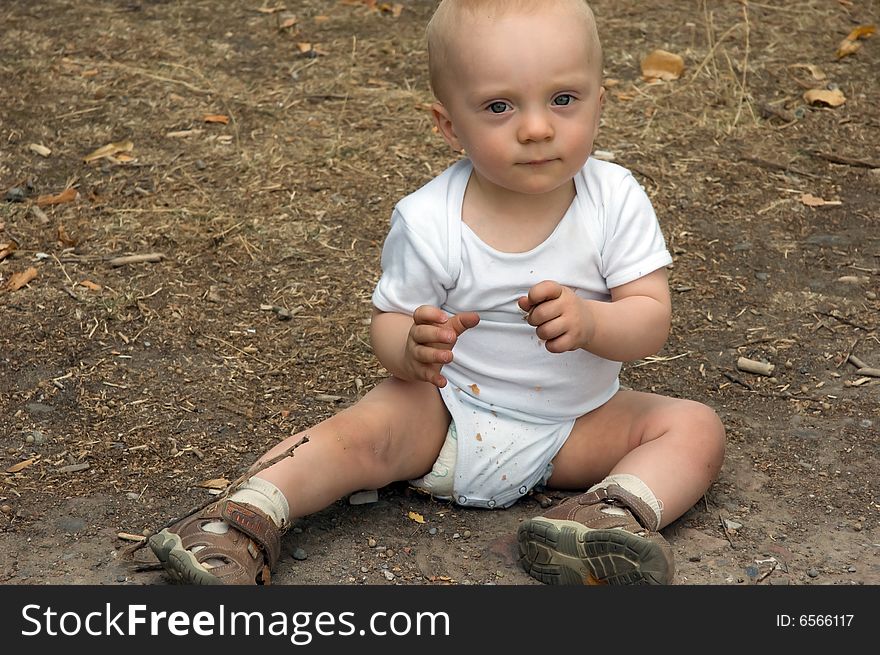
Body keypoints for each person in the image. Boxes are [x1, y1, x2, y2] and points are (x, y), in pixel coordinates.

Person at [148, 0, 725, 586]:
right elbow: (389, 321)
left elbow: (651, 319)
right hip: (446, 412)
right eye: (499, 107)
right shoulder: (429, 219)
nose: (536, 127)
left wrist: (595, 323)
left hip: (574, 428)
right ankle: (242, 522)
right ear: (450, 126)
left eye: (563, 99)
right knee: (362, 432)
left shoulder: (614, 198)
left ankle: (607, 519)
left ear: (600, 101)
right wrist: (412, 348)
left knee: (693, 428)